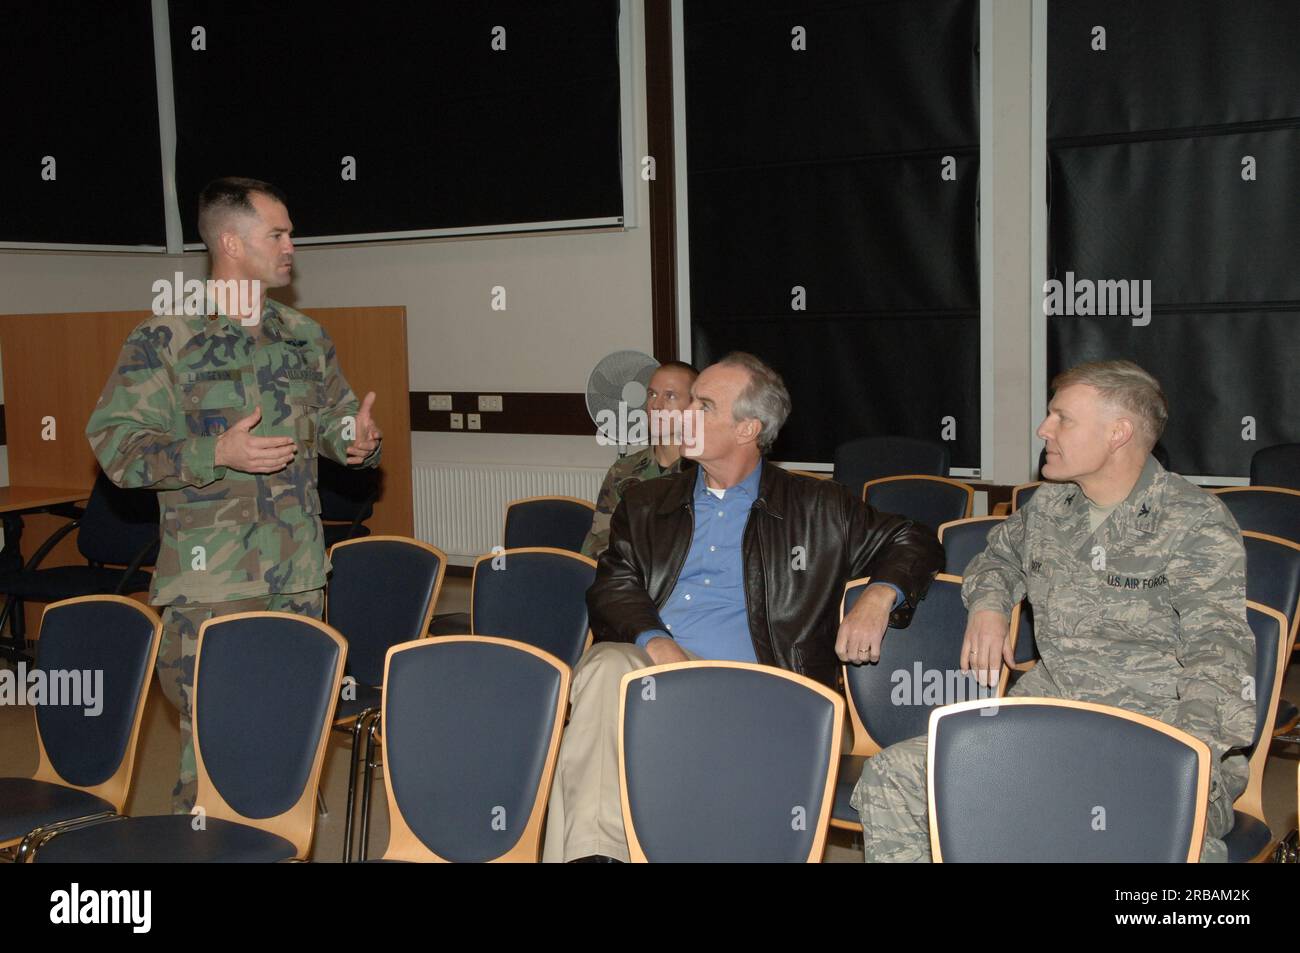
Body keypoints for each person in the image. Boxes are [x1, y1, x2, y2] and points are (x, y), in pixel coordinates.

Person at [544, 352, 945, 861]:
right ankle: (597, 855)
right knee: (605, 668)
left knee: (618, 701)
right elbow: (611, 586)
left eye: (703, 406)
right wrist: (659, 644)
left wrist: (878, 596)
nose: (684, 414)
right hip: (654, 671)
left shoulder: (818, 507)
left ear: (747, 428)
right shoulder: (646, 503)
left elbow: (915, 540)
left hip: (765, 684)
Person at [853, 360, 1255, 862]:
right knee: (892, 778)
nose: (1044, 429)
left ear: (1118, 433)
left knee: (1128, 833)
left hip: (1152, 731)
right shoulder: (1053, 505)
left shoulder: (1193, 522)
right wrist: (989, 606)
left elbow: (1219, 652)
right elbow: (997, 557)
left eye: (1062, 418)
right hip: (1049, 714)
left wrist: (1180, 755)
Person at [86, 177, 382, 813]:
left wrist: (353, 439)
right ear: (230, 243)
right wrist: (214, 453)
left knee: (293, 738)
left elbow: (332, 418)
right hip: (212, 586)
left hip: (299, 575)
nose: (291, 247)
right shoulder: (164, 340)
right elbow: (117, 450)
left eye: (290, 233)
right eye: (277, 234)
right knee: (216, 754)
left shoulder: (305, 336)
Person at [580, 360, 699, 558]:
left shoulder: (706, 473)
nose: (656, 405)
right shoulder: (623, 471)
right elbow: (599, 544)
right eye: (652, 394)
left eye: (670, 396)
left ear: (695, 407)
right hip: (624, 574)